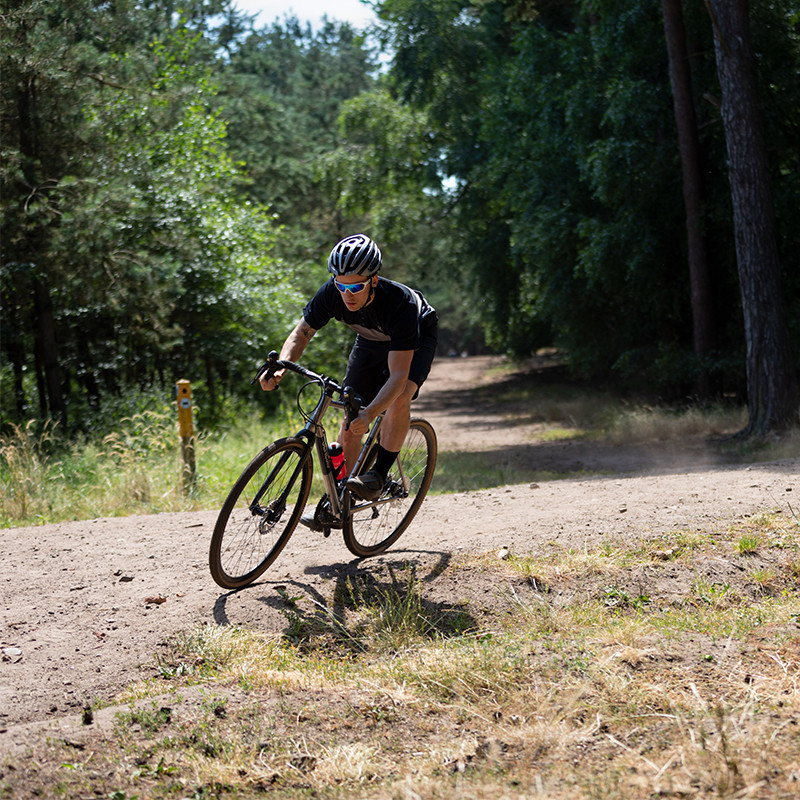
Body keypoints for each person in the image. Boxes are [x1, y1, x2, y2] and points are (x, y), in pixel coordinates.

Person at [260, 233, 438, 525]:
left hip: (415, 338)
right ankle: (341, 500)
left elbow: (397, 376)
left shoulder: (400, 305)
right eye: (341, 285)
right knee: (350, 416)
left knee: (399, 396)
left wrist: (370, 414)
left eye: (356, 286)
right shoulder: (332, 293)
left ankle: (379, 475)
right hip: (370, 340)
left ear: (374, 281)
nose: (347, 294)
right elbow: (302, 333)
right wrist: (282, 365)